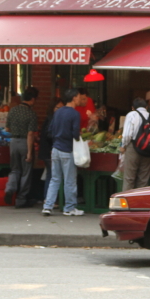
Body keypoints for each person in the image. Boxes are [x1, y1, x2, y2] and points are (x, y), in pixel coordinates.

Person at [43, 89, 86, 217]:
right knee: (70, 181)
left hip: (55, 149)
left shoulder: (58, 112)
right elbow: (75, 134)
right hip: (67, 150)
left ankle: (47, 206)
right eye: (78, 97)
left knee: (54, 179)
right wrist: (80, 137)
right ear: (74, 98)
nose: (79, 99)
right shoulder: (75, 114)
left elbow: (50, 130)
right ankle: (69, 208)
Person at [5, 86, 39, 208]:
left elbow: (7, 128)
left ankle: (9, 188)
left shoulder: (13, 110)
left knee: (14, 169)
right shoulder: (31, 113)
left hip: (13, 142)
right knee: (26, 172)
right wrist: (30, 152)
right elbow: (30, 134)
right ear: (33, 99)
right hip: (25, 143)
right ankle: (21, 199)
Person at [119, 98, 150, 191]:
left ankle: (127, 203)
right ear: (146, 107)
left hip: (133, 148)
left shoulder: (131, 115)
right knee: (143, 180)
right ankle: (140, 204)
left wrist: (123, 146)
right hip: (148, 150)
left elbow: (127, 134)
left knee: (129, 179)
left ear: (132, 108)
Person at [38, 99, 64, 187]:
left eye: (62, 108)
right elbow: (49, 135)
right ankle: (49, 198)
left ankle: (48, 198)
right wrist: (52, 148)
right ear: (53, 108)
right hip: (49, 151)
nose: (60, 110)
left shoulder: (51, 118)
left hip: (47, 151)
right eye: (58, 108)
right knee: (52, 175)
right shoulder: (52, 119)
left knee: (50, 175)